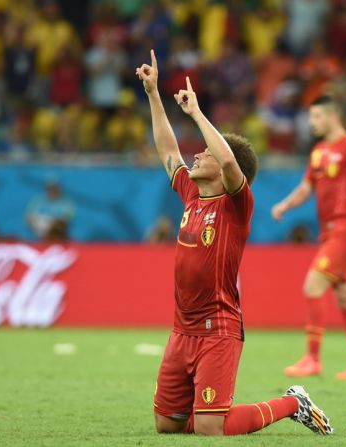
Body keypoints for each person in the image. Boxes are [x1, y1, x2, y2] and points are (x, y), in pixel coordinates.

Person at [137, 50, 332, 437]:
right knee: (167, 425)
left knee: (210, 428)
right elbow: (168, 151)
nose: (198, 153)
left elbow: (228, 163)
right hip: (182, 329)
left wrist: (197, 114)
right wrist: (154, 94)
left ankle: (293, 403)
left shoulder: (235, 205)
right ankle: (212, 412)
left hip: (218, 329)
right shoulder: (193, 195)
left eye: (205, 152)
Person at [271, 95, 346, 380]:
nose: (311, 122)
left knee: (313, 285)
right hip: (328, 232)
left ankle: (312, 358)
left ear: (332, 116)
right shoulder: (317, 152)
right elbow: (306, 188)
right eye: (310, 117)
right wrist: (284, 205)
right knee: (345, 294)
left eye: (316, 116)